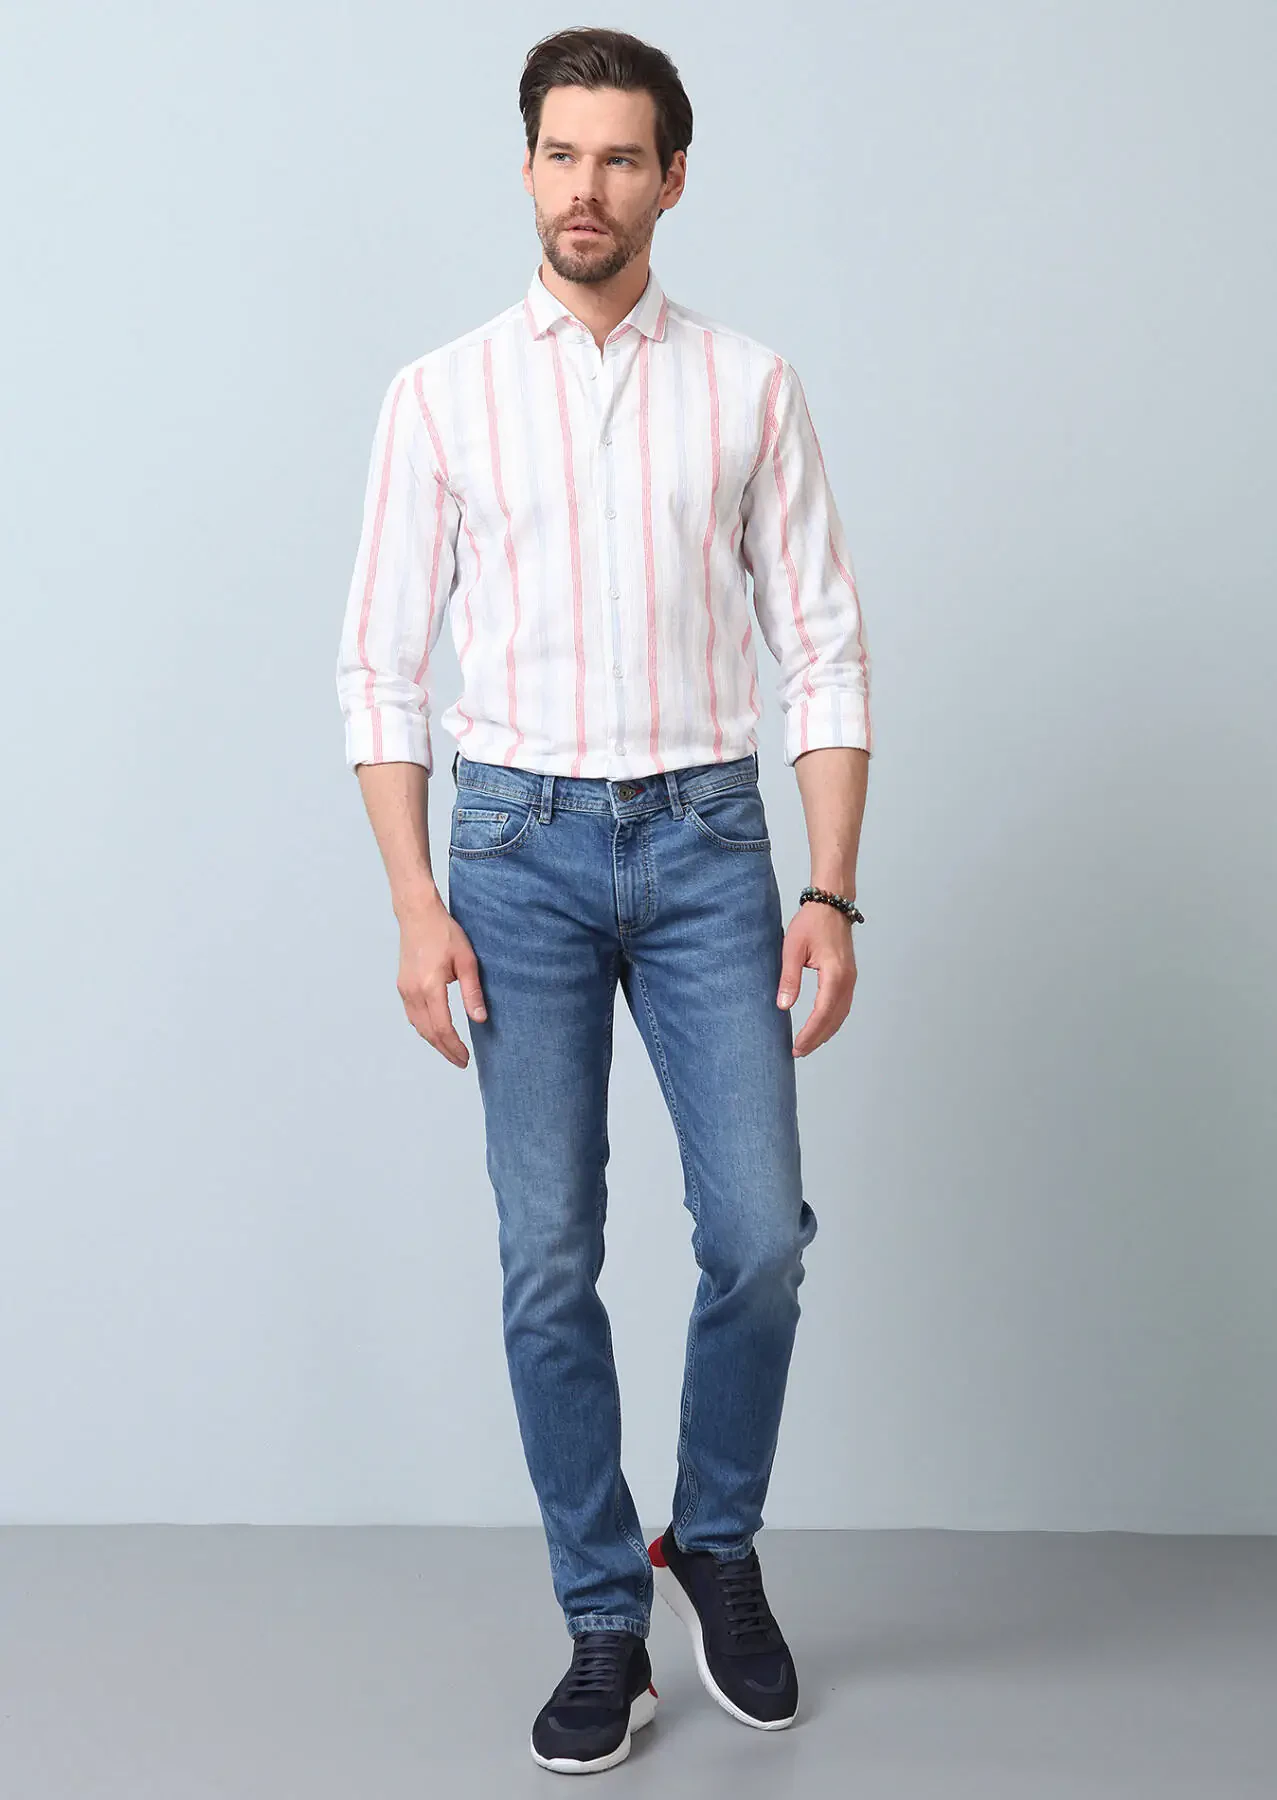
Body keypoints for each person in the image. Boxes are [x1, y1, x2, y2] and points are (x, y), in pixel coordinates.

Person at [334, 24, 872, 1777]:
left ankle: (712, 1539)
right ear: (526, 170)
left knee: (759, 1238)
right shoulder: (439, 396)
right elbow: (379, 671)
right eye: (562, 155)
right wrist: (415, 901)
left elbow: (824, 650)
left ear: (672, 180)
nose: (588, 187)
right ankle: (600, 1618)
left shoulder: (751, 388)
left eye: (621, 158)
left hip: (712, 846)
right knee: (548, 1254)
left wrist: (831, 889)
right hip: (515, 856)